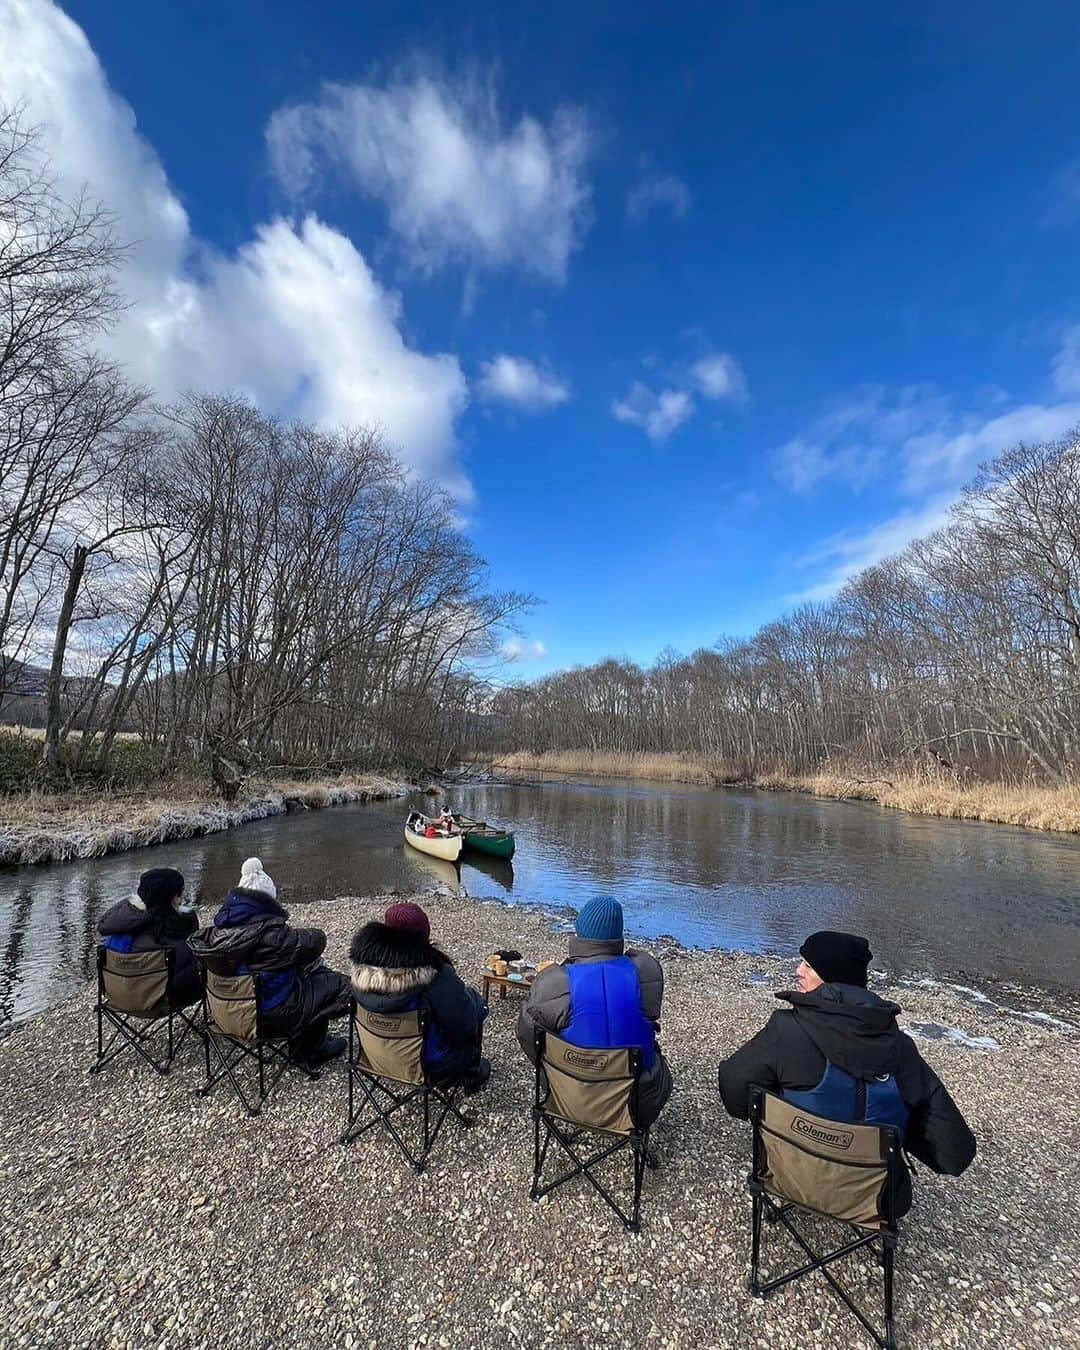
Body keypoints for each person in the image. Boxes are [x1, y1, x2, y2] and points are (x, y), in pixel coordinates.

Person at [717, 930, 976, 1213]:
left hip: (788, 1175)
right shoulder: (900, 1050)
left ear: (831, 976)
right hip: (877, 1199)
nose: (797, 970)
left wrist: (772, 1109)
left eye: (808, 965)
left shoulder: (786, 1030)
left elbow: (734, 1089)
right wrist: (907, 1131)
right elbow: (955, 1153)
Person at [516, 896, 673, 1127]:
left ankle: (559, 1076)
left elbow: (526, 1031)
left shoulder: (555, 980)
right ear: (618, 935)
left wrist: (550, 1064)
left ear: (580, 933)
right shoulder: (645, 971)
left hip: (569, 1100)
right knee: (656, 1054)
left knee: (533, 1026)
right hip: (636, 1105)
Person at [188, 857, 350, 1066]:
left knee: (301, 970)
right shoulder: (273, 937)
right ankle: (311, 1050)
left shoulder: (215, 935)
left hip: (225, 1014)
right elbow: (316, 941)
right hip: (269, 1018)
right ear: (267, 903)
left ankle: (308, 1039)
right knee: (331, 981)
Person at [349, 901, 491, 1091]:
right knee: (477, 1007)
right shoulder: (435, 977)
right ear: (423, 936)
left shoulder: (360, 973)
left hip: (373, 1056)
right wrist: (476, 1003)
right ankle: (471, 1074)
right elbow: (463, 1026)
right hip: (428, 1063)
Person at [98, 867, 201, 1007]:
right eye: (179, 894)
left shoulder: (119, 926)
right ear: (170, 897)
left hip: (115, 996)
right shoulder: (178, 930)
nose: (182, 900)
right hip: (159, 1001)